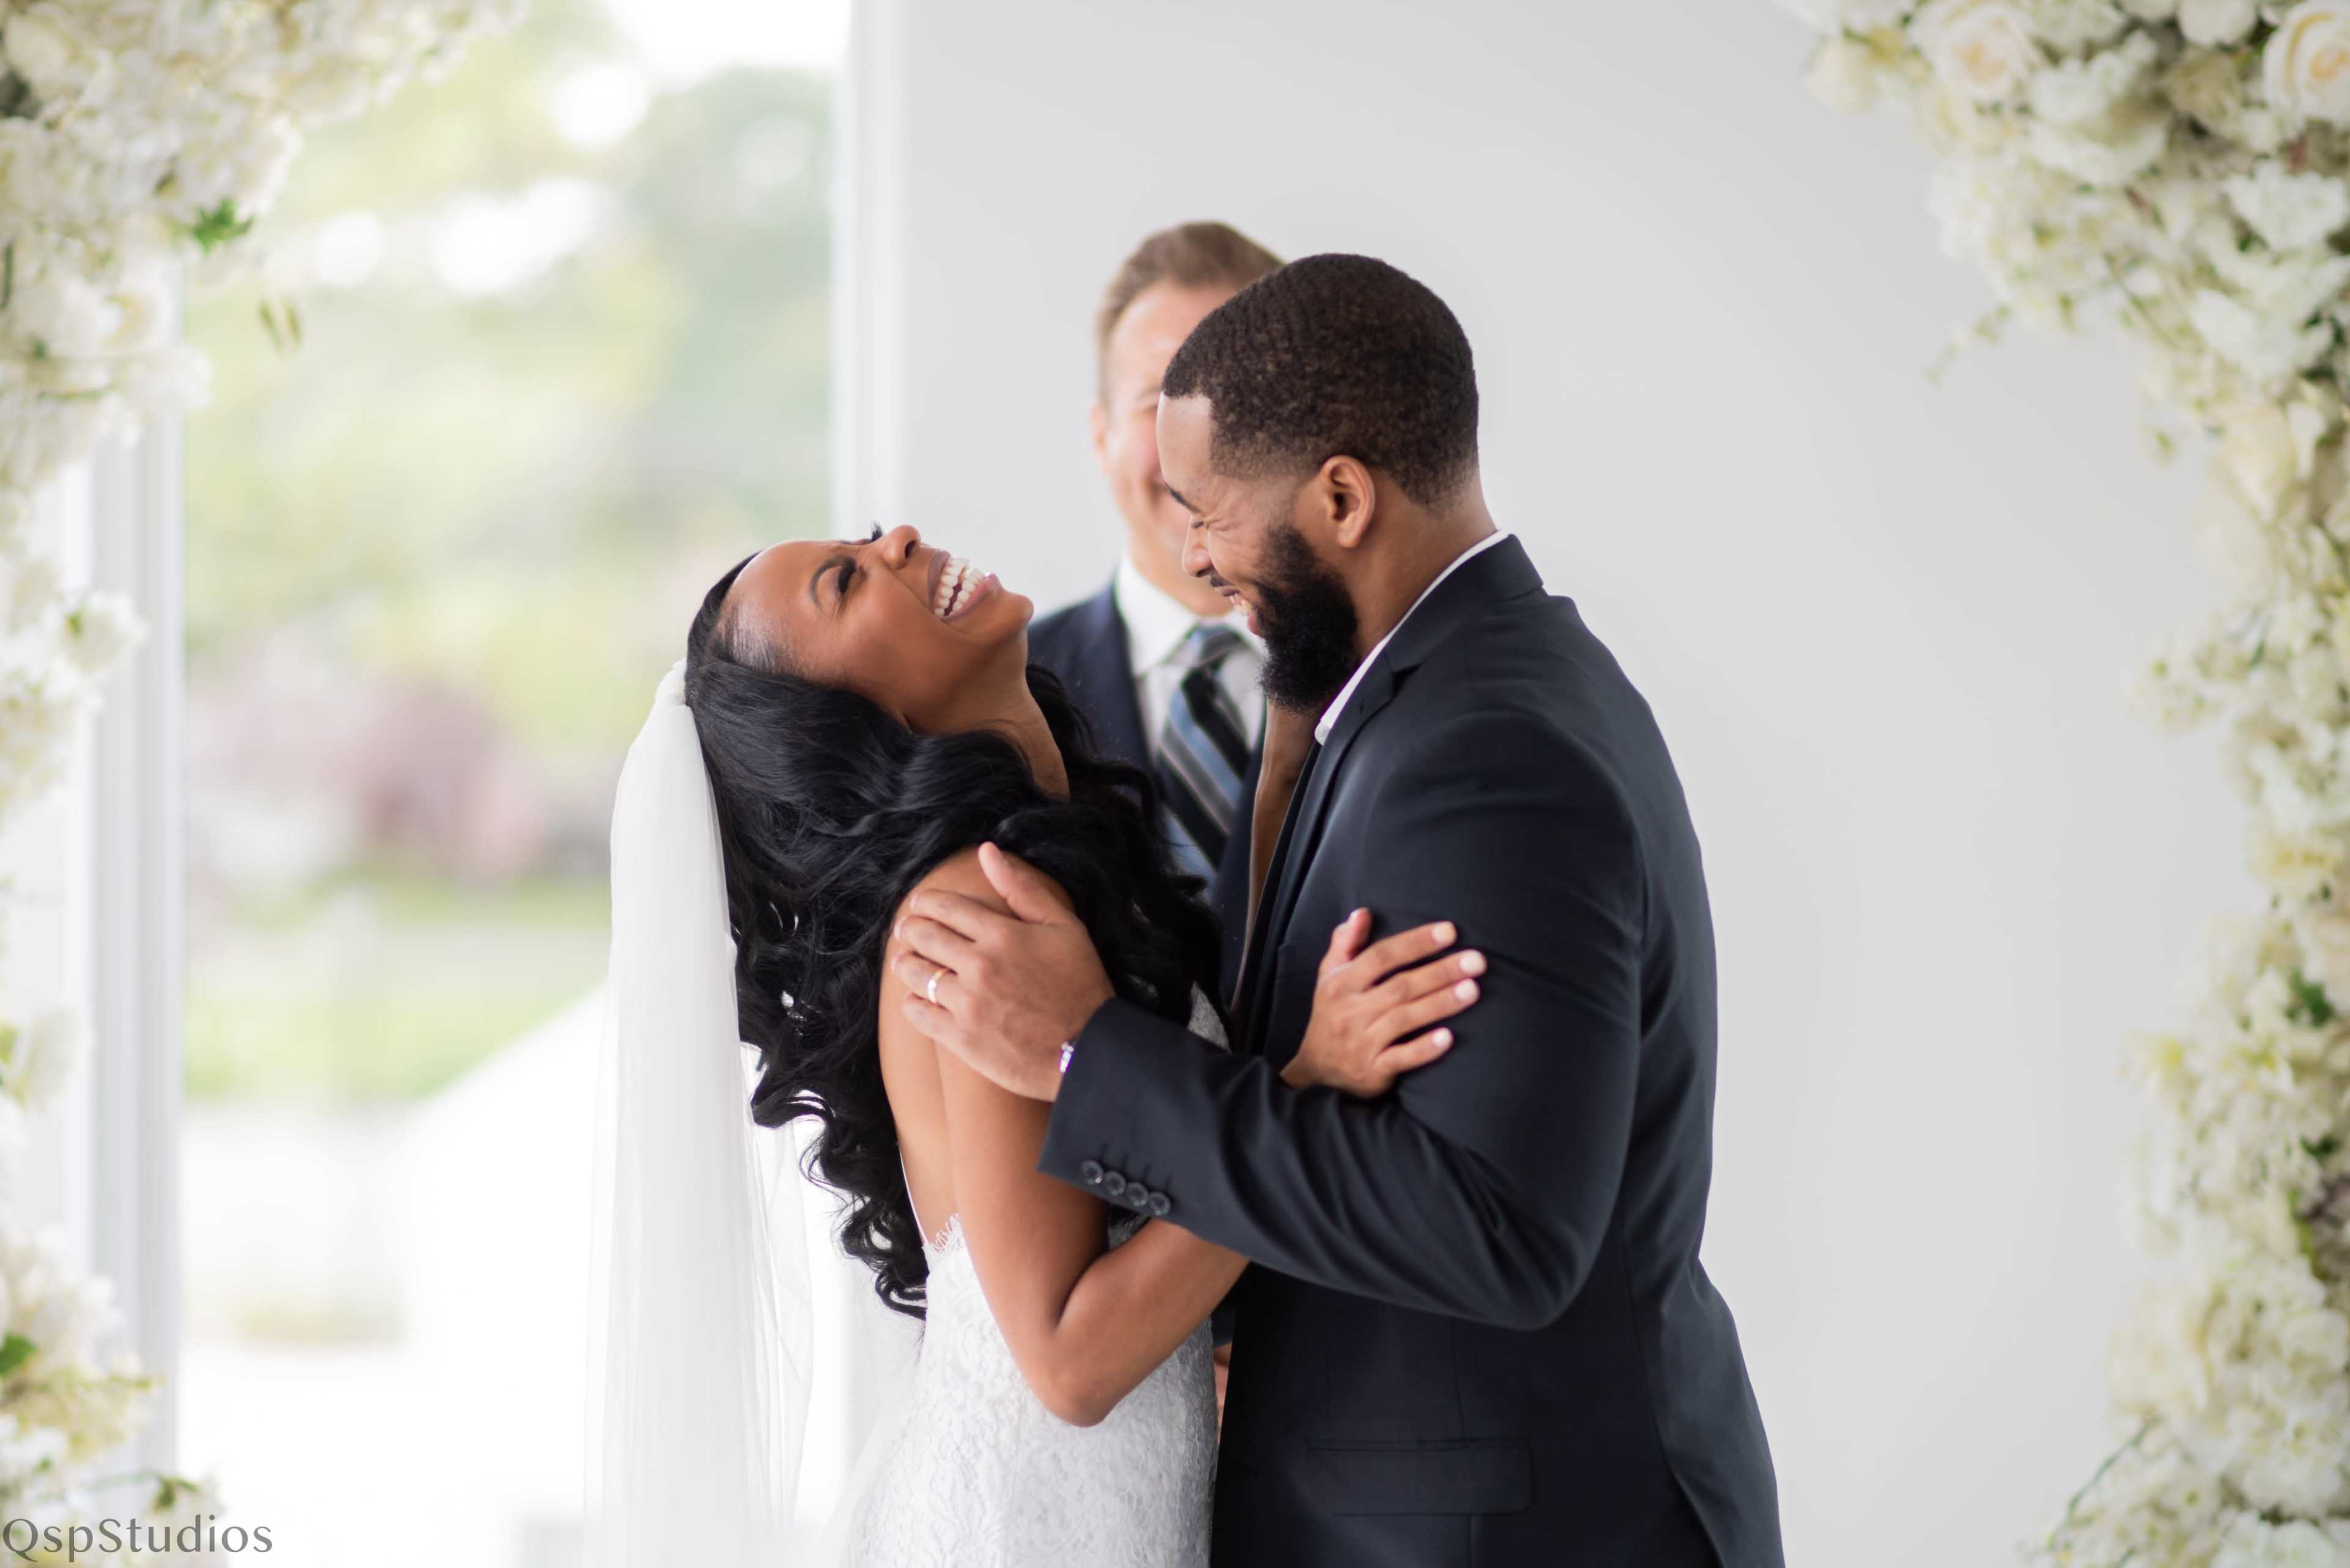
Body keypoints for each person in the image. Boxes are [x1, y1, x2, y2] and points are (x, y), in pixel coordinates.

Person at [892, 255, 1786, 1566]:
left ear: (1343, 499)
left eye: (1211, 513)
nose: (1195, 557)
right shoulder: (1423, 697)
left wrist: (1087, 1055)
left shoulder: (1481, 751)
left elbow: (1502, 1232)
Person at [586, 523, 1487, 1567]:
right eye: (847, 581)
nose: (899, 540)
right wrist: (1308, 1082)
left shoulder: (1039, 857)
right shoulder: (968, 916)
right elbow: (1067, 1360)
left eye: (869, 538)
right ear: (838, 728)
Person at [1028, 221, 1283, 999]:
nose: (1202, 438)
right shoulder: (1008, 692)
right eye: (1161, 400)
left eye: (1245, 397)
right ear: (1100, 435)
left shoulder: (1385, 677)